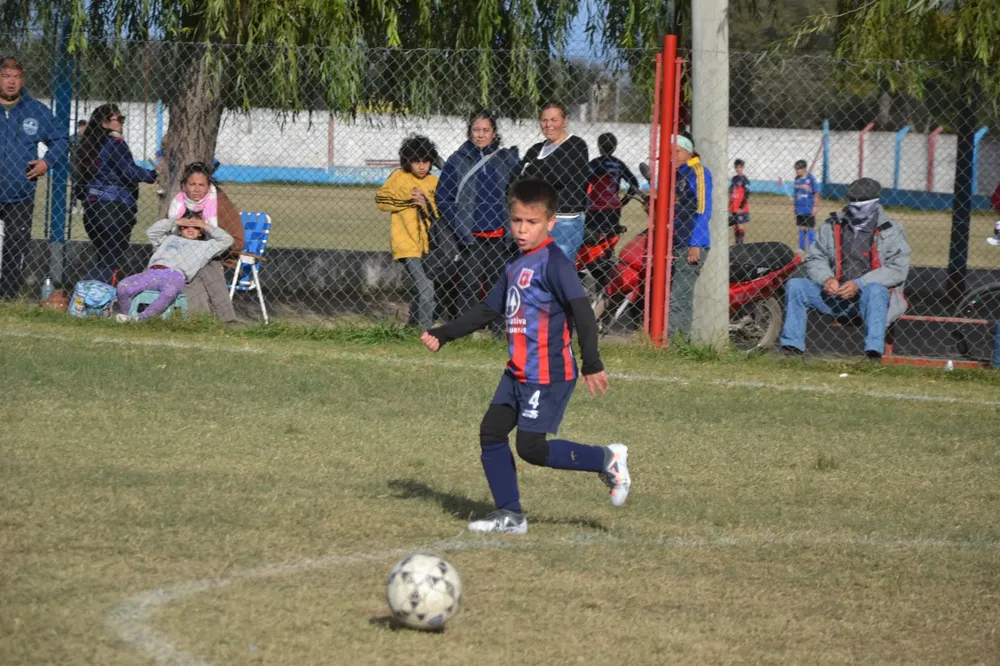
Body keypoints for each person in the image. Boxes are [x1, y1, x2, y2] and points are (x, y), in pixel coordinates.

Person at [420, 179, 631, 534]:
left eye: (531, 222)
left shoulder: (555, 262)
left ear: (550, 223)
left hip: (547, 374)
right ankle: (511, 515)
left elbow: (582, 310)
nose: (522, 229)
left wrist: (591, 360)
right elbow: (488, 311)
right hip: (517, 372)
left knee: (531, 448)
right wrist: (445, 333)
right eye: (517, 220)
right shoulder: (515, 265)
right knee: (491, 432)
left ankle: (607, 459)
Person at [778, 177, 911, 360]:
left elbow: (898, 268)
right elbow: (816, 256)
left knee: (875, 290)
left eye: (861, 205)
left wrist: (859, 284)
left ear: (875, 203)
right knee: (796, 286)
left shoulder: (891, 230)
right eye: (852, 204)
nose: (855, 209)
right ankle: (792, 349)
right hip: (834, 295)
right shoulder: (832, 224)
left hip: (869, 299)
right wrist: (826, 278)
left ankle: (872, 355)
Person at [436, 111, 520, 321]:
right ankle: (465, 329)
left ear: (494, 133)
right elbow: (443, 197)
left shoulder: (505, 160)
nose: (481, 135)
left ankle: (498, 331)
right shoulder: (457, 160)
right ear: (469, 132)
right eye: (476, 130)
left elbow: (517, 192)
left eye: (486, 130)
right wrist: (458, 224)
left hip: (500, 235)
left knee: (498, 284)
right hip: (470, 236)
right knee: (469, 284)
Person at [0, 57, 68, 299]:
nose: (11, 82)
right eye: (6, 76)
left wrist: (47, 162)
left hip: (20, 193)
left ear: (23, 80)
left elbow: (61, 139)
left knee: (15, 248)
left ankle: (6, 299)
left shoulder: (36, 111)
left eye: (16, 77)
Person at [74, 104, 157, 283]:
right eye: (118, 120)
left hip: (92, 209)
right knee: (111, 261)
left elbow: (79, 185)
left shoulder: (89, 144)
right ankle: (93, 298)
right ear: (104, 123)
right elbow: (129, 171)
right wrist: (153, 176)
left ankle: (93, 298)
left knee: (103, 257)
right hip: (115, 208)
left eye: (122, 119)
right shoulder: (115, 143)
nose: (121, 123)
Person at [376, 135, 441, 330]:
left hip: (430, 246)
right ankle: (425, 332)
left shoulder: (434, 182)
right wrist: (407, 200)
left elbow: (440, 214)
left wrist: (426, 205)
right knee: (426, 288)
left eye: (426, 161)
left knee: (422, 289)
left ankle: (412, 328)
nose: (422, 166)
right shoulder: (398, 177)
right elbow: (381, 201)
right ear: (408, 161)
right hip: (407, 245)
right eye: (417, 161)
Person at [115, 215, 233, 322]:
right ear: (180, 229)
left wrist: (205, 225)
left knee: (170, 290)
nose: (190, 229)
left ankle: (142, 318)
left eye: (195, 227)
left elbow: (227, 240)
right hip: (153, 272)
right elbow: (152, 231)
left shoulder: (206, 246)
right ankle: (128, 315)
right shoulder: (168, 239)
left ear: (201, 232)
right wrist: (175, 222)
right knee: (123, 287)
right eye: (185, 226)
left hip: (175, 275)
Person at [168, 162, 245, 323]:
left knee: (201, 267)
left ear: (208, 185)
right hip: (182, 258)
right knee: (189, 271)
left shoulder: (220, 205)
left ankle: (223, 320)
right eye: (192, 184)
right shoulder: (178, 204)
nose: (196, 189)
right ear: (184, 185)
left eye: (201, 185)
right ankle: (202, 321)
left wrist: (205, 247)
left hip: (221, 260)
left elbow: (238, 243)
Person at [520, 103, 589, 261]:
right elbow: (518, 178)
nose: (548, 125)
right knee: (533, 272)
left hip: (564, 220)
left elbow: (559, 176)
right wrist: (540, 172)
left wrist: (532, 169)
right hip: (536, 221)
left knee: (557, 273)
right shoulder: (536, 149)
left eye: (554, 119)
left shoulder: (576, 146)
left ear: (565, 121)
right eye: (544, 120)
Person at [669, 134, 712, 338]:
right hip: (678, 241)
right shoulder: (679, 174)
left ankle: (677, 342)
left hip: (691, 244)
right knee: (677, 295)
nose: (672, 156)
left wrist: (696, 243)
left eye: (676, 151)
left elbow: (703, 208)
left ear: (689, 152)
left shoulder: (698, 172)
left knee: (679, 297)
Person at [587, 132, 640, 240]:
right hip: (613, 206)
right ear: (615, 147)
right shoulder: (619, 164)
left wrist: (584, 202)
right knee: (610, 237)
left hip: (597, 206)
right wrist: (623, 201)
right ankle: (608, 254)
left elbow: (583, 182)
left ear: (599, 146)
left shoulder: (595, 163)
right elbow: (634, 184)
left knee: (591, 237)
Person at [793, 159, 820, 251]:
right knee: (801, 227)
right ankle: (801, 247)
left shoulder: (811, 179)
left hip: (808, 207)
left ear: (804, 169)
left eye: (798, 169)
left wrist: (815, 207)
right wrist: (794, 205)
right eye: (795, 169)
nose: (796, 171)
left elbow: (816, 194)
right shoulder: (797, 179)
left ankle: (812, 246)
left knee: (810, 227)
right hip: (799, 207)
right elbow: (796, 194)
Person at [729, 158, 750, 245]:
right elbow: (731, 192)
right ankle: (737, 244)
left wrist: (741, 207)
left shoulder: (745, 180)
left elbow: (747, 194)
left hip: (741, 208)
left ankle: (741, 244)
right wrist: (729, 205)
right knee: (735, 226)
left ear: (743, 167)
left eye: (740, 167)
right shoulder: (734, 179)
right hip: (734, 207)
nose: (738, 169)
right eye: (736, 167)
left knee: (740, 225)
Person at [70, 119, 88, 214]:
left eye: (83, 126)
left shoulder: (89, 138)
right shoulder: (73, 138)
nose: (81, 128)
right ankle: (73, 206)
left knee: (85, 185)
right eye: (80, 126)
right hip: (74, 165)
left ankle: (84, 206)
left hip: (85, 166)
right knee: (74, 185)